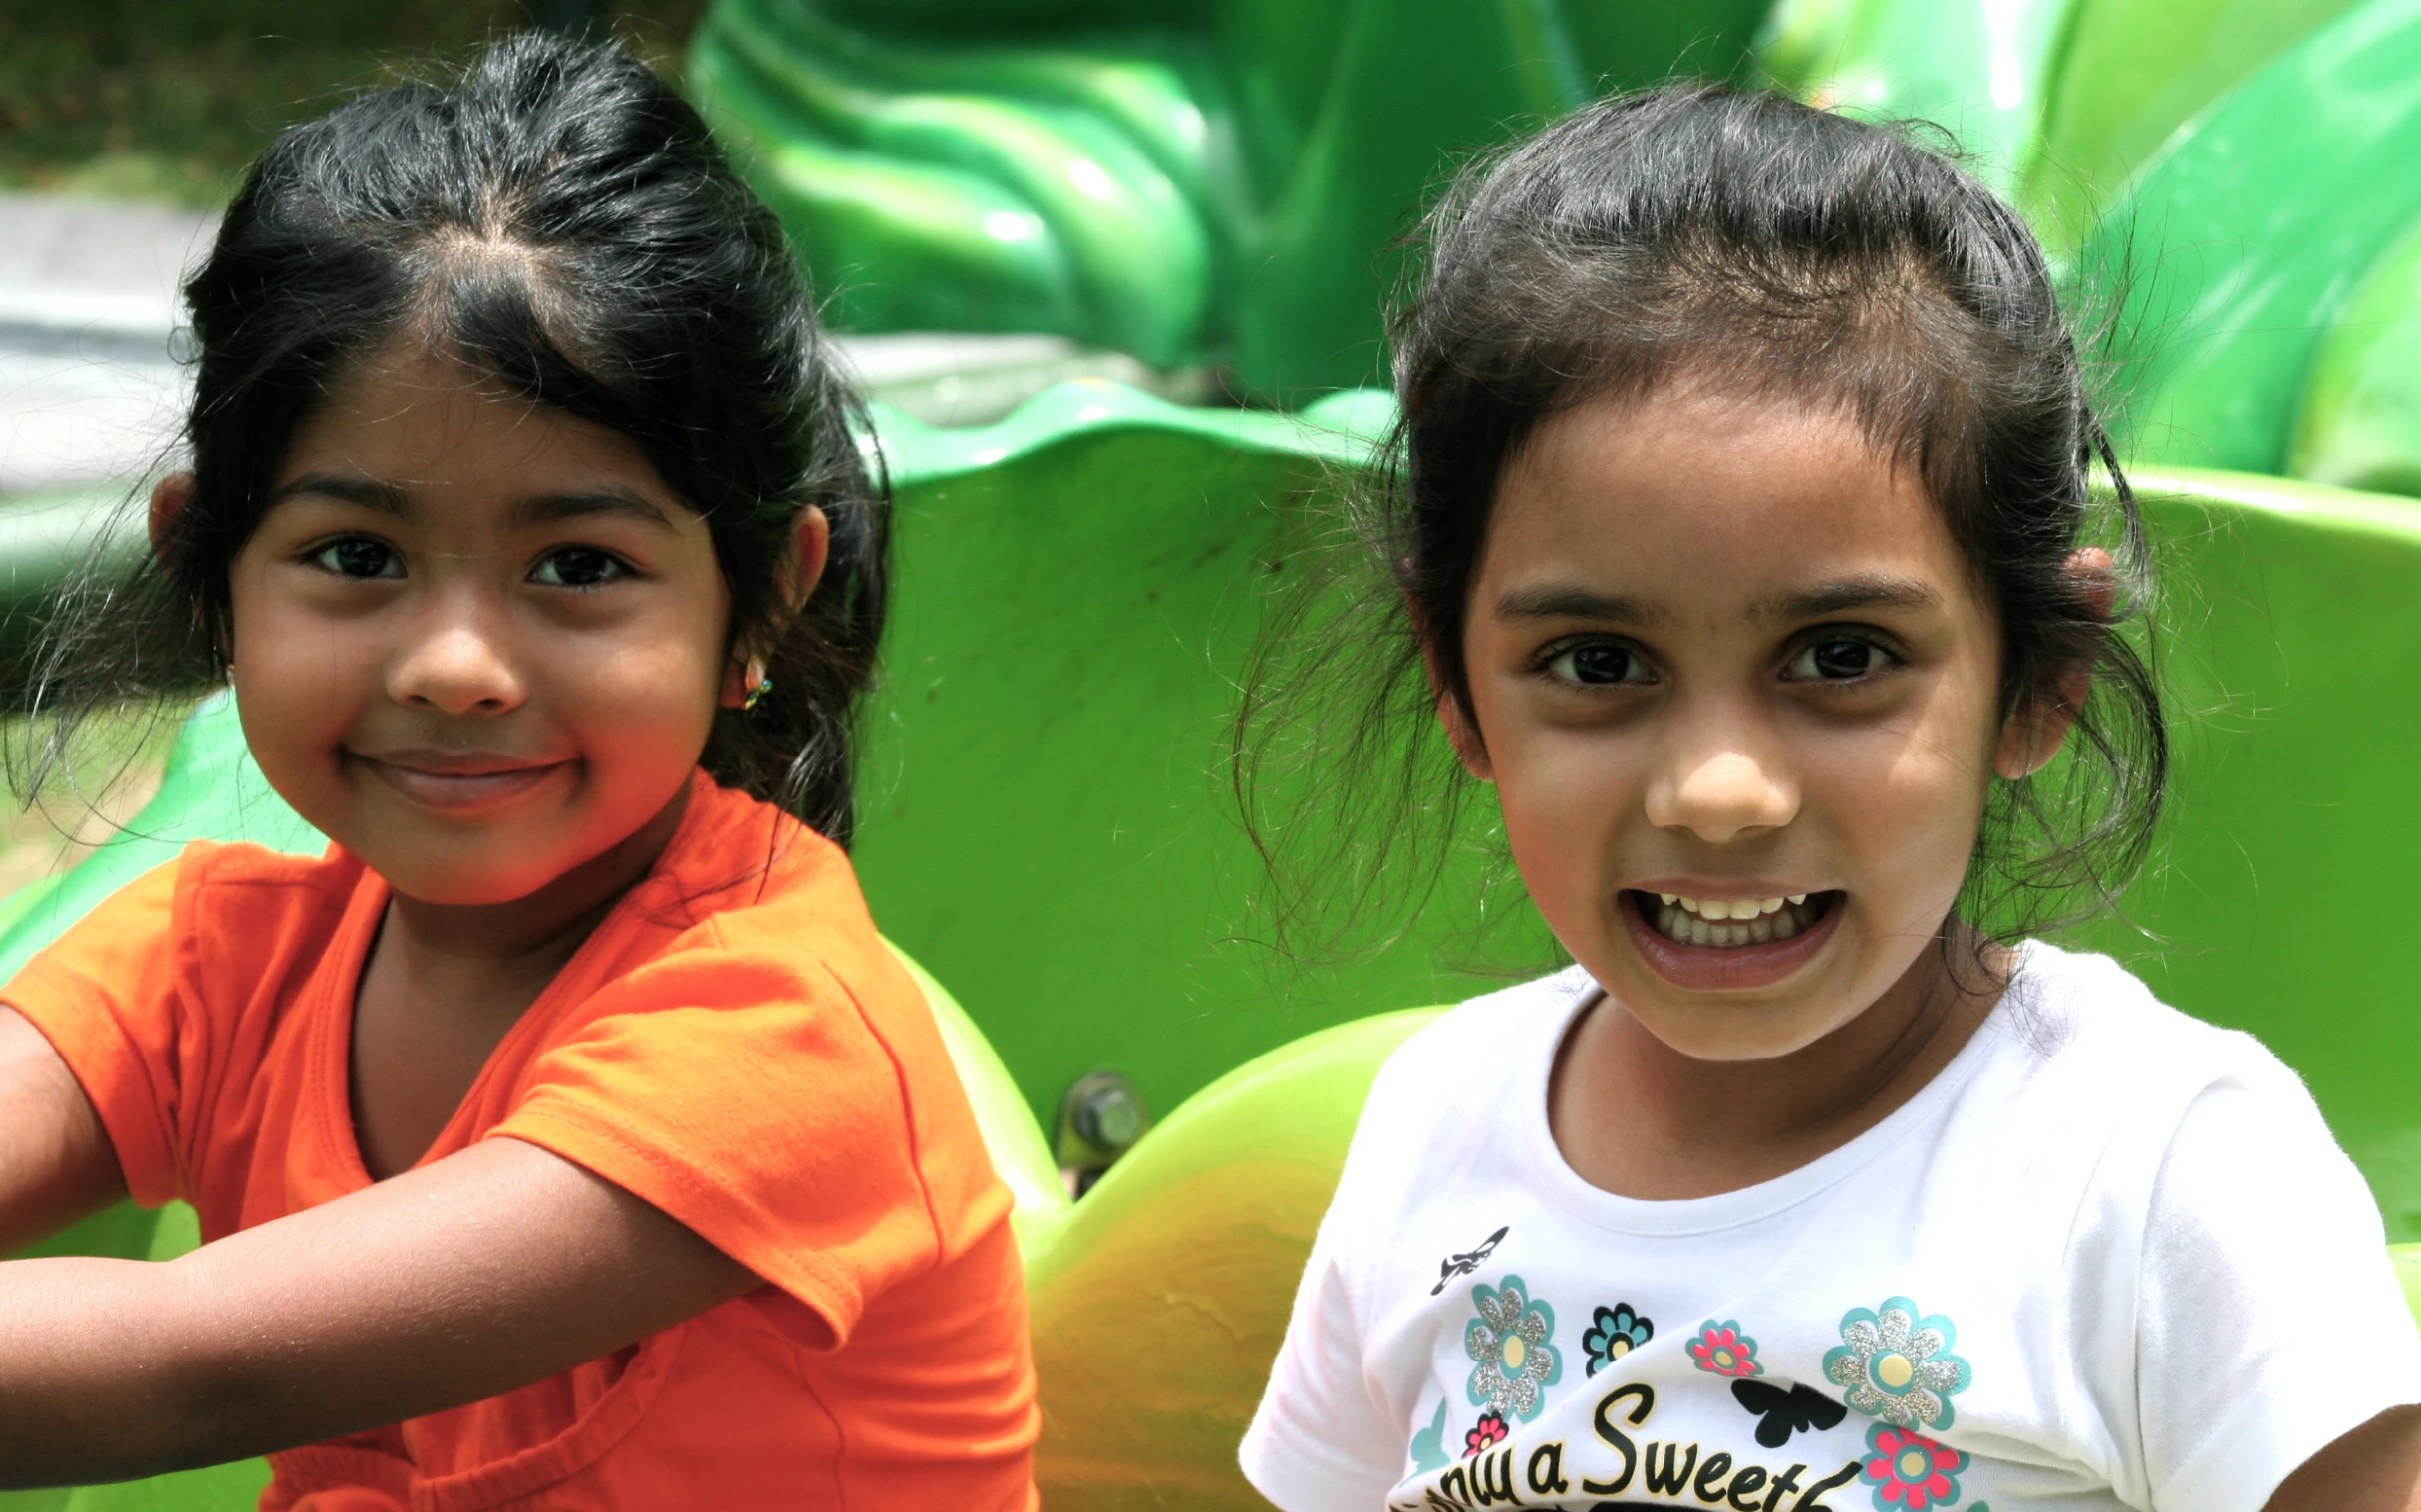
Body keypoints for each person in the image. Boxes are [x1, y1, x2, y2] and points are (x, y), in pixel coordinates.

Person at [1236, 86, 2421, 1511]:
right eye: (1598, 663)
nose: (1720, 793)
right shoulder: (1438, 1124)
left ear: (2041, 675)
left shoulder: (2160, 1176)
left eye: (1842, 658)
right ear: (1461, 688)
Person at [0, 34, 1038, 1509]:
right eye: (356, 558)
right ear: (211, 580)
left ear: (758, 601)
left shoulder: (774, 1033)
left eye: (578, 566)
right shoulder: (215, 960)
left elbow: (195, 1365)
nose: (456, 665)